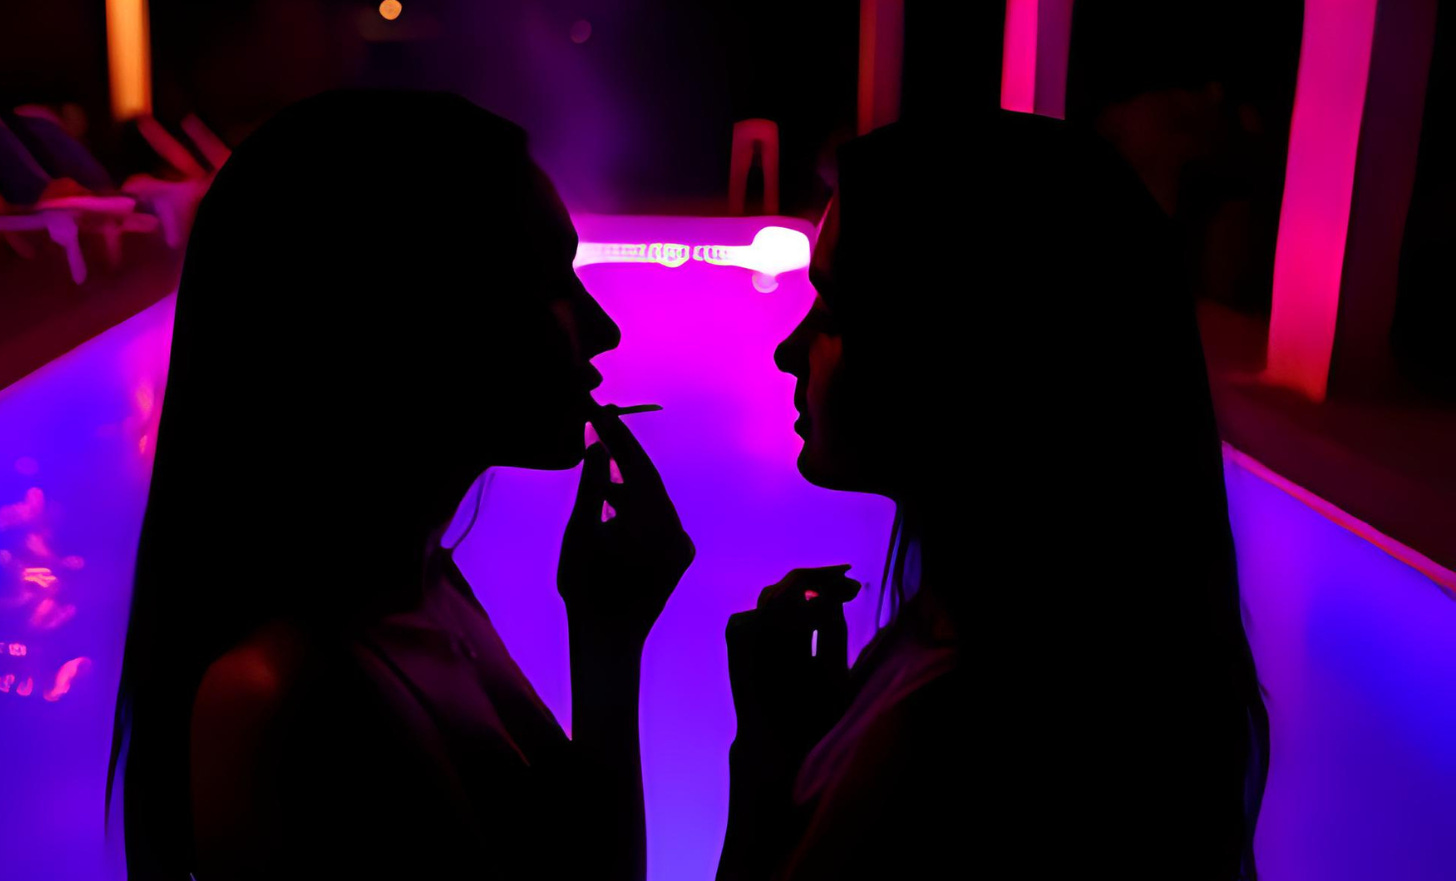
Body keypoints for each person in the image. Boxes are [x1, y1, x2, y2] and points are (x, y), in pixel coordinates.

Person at [106, 90, 694, 881]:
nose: (603, 330)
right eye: (549, 281)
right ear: (414, 310)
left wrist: (606, 641)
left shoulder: (427, 588)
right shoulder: (276, 700)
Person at [719, 114, 1268, 880]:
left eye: (836, 310)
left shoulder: (956, 737)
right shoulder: (1014, 652)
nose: (788, 350)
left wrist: (765, 768)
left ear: (957, 350)